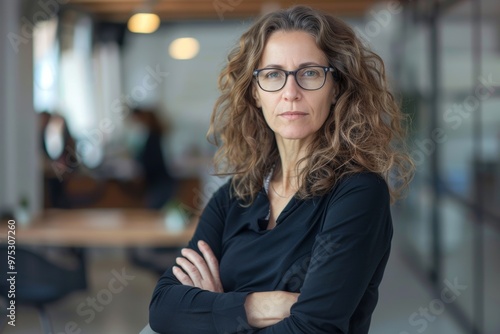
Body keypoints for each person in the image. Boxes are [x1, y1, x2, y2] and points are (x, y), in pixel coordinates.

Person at [149, 5, 414, 334]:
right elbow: (162, 308)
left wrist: (215, 310)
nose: (291, 93)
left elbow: (312, 329)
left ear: (336, 88)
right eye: (273, 74)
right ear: (256, 93)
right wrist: (257, 305)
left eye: (310, 73)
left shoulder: (357, 194)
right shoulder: (233, 197)